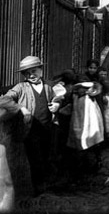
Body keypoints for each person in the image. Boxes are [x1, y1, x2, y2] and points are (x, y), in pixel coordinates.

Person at [3, 56, 60, 194]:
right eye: (27, 73)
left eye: (34, 71)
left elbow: (57, 97)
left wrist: (57, 104)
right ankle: (38, 188)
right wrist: (19, 108)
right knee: (35, 159)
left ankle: (48, 185)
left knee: (48, 156)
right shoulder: (21, 87)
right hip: (31, 130)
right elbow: (3, 99)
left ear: (41, 70)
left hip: (47, 128)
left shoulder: (48, 86)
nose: (31, 75)